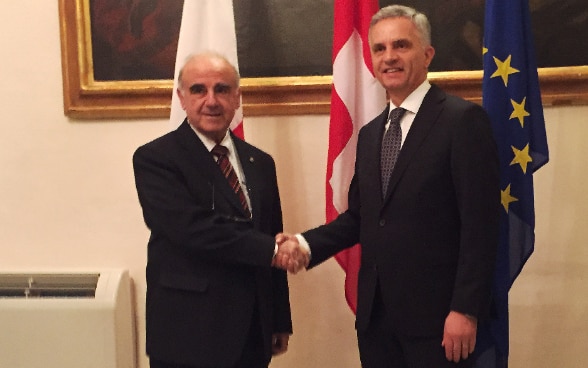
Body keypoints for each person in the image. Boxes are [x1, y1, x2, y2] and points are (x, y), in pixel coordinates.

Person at [275, 4, 500, 368]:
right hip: (378, 322)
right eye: (379, 49)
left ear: (427, 54)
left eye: (401, 46)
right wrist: (303, 243)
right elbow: (361, 218)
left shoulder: (462, 122)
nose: (389, 57)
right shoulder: (370, 134)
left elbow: (482, 226)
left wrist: (465, 309)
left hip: (440, 323)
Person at [133, 52, 292, 368]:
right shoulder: (156, 159)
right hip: (188, 332)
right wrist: (272, 249)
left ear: (237, 97)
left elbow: (270, 233)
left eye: (221, 89)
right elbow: (192, 229)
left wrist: (278, 318)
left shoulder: (260, 162)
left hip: (251, 330)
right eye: (198, 90)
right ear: (181, 97)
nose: (211, 100)